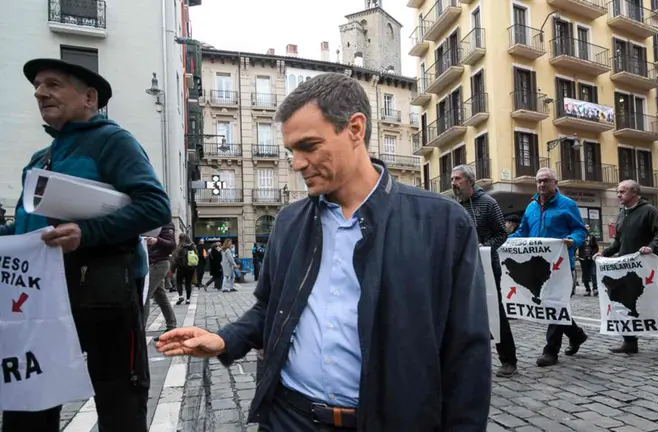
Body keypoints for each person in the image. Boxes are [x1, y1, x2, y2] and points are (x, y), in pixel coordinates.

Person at [157, 72, 491, 431]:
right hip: (289, 418)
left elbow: (466, 354)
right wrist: (225, 339)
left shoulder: (441, 222)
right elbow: (271, 308)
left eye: (309, 146)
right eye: (291, 152)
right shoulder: (289, 223)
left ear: (355, 129)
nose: (297, 163)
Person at [1, 58, 171, 432]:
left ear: (90, 97)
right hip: (41, 300)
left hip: (105, 295)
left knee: (118, 402)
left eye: (54, 84)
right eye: (38, 86)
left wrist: (87, 233)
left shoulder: (114, 141)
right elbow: (27, 227)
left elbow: (155, 206)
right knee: (29, 400)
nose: (40, 92)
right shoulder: (38, 159)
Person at [511, 167, 589, 367]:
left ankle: (550, 351)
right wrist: (505, 242)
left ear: (556, 183)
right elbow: (522, 232)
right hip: (537, 266)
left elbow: (580, 230)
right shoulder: (531, 207)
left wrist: (573, 240)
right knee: (549, 305)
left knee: (555, 304)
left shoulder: (567, 205)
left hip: (561, 266)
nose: (542, 184)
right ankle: (577, 334)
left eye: (546, 180)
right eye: (539, 181)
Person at [451, 164, 518, 377]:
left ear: (470, 181)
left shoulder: (489, 203)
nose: (453, 183)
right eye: (452, 179)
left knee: (495, 313)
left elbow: (502, 234)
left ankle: (509, 360)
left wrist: (484, 247)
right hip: (462, 269)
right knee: (463, 315)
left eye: (458, 179)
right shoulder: (453, 206)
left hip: (488, 268)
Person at [596, 180, 658, 354]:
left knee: (654, 303)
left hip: (646, 267)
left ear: (634, 193)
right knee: (624, 303)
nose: (619, 195)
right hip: (625, 267)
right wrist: (604, 254)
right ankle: (629, 341)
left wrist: (651, 247)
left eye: (622, 192)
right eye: (618, 192)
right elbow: (618, 242)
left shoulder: (649, 211)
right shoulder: (622, 214)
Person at [144, 222, 177, 334]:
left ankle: (140, 329)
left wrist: (156, 240)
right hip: (153, 262)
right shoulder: (150, 221)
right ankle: (171, 325)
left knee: (145, 295)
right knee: (160, 296)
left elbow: (172, 245)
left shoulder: (165, 223)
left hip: (159, 263)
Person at [172, 233, 197, 305]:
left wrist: (173, 268)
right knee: (188, 283)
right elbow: (196, 255)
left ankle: (181, 296)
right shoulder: (192, 246)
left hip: (181, 267)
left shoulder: (179, 247)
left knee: (179, 282)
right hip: (190, 267)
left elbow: (175, 259)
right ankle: (188, 299)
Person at [577, 223, 599, 296]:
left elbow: (596, 247)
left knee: (593, 273)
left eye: (588, 227)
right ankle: (587, 290)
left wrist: (593, 254)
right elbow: (576, 246)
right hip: (583, 258)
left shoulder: (592, 237)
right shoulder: (580, 237)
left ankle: (595, 289)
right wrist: (577, 255)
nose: (587, 228)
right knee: (585, 275)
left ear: (590, 228)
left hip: (591, 258)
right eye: (585, 227)